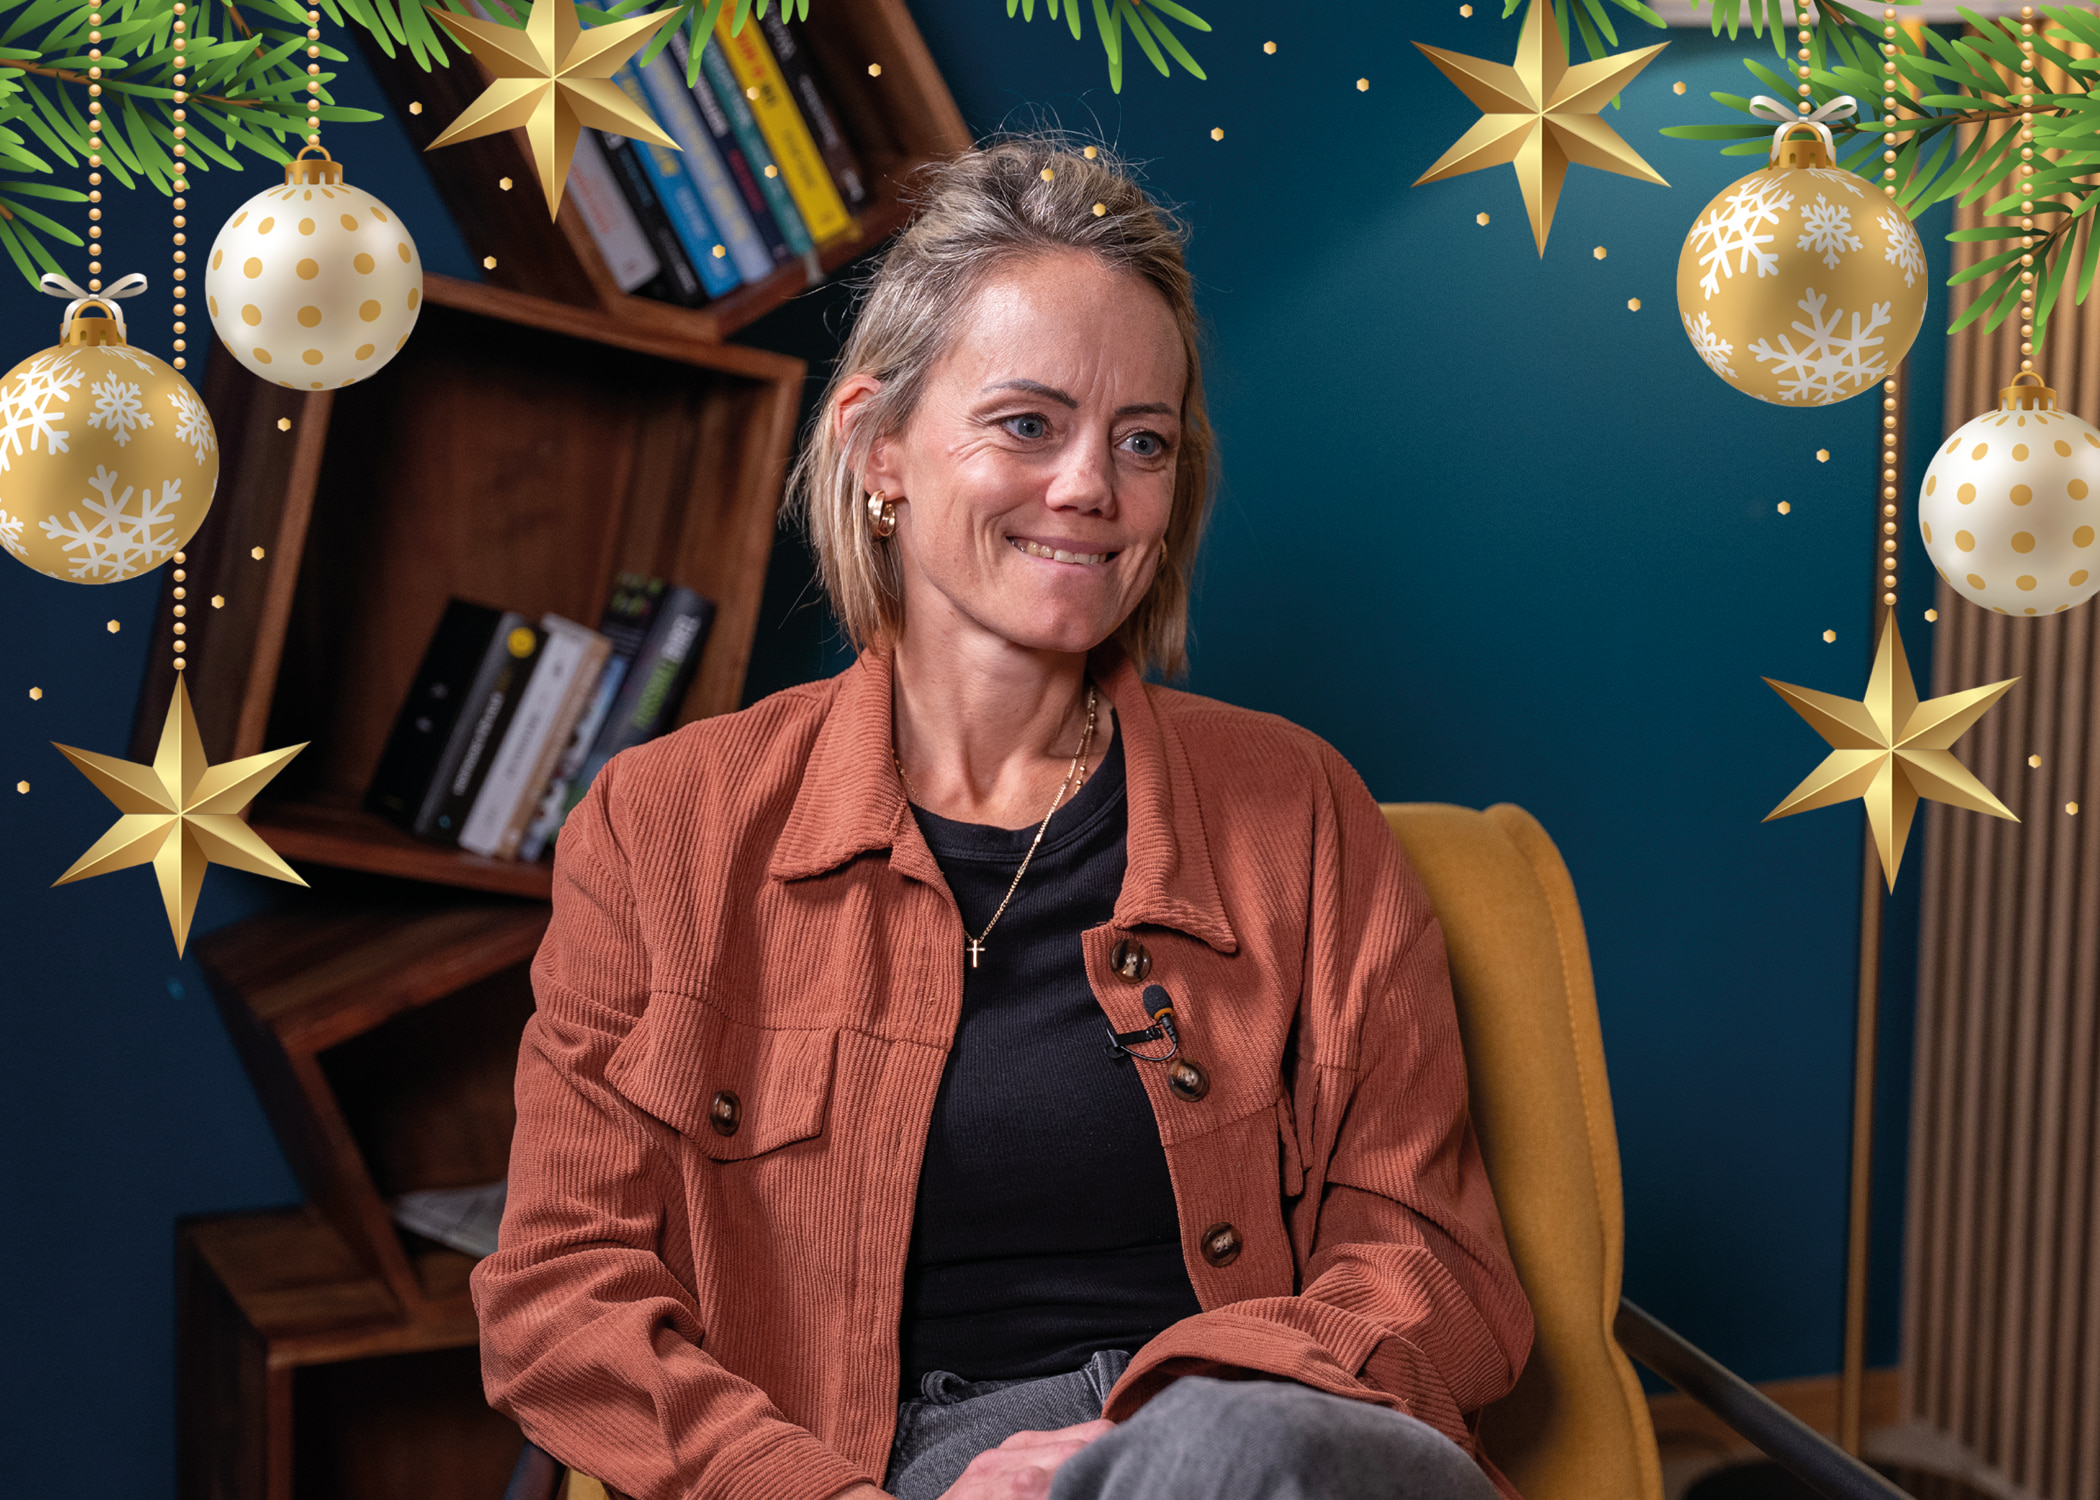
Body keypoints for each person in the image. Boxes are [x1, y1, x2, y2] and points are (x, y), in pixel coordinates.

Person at [470, 136, 1533, 1500]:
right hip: (906, 1472)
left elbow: (1431, 1265)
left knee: (1226, 1450)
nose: (1090, 485)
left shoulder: (1302, 813)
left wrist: (1169, 1422)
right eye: (1028, 423)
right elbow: (565, 1299)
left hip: (1277, 1434)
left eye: (1141, 441)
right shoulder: (665, 828)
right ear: (880, 447)